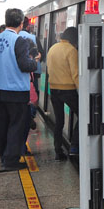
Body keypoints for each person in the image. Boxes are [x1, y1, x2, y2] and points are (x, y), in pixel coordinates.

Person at [0, 8, 39, 172]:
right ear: (21, 23)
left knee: (1, 124)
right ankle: (11, 160)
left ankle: (2, 154)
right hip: (15, 90)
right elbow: (24, 66)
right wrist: (35, 62)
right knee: (17, 125)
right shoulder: (19, 41)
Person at [46, 26, 79, 160]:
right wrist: (81, 91)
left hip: (53, 89)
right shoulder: (72, 50)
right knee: (83, 116)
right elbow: (75, 74)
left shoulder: (52, 48)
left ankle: (58, 150)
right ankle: (74, 148)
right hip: (69, 90)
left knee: (59, 121)